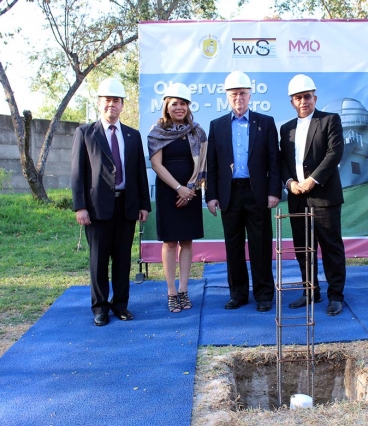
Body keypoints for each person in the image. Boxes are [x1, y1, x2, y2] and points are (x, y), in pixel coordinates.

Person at [71, 78, 150, 327]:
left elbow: (139, 173)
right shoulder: (85, 133)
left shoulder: (132, 135)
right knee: (99, 260)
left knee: (122, 259)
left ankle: (120, 305)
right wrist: (80, 206)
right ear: (99, 103)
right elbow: (77, 173)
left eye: (116, 101)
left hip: (126, 206)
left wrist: (144, 205)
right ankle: (100, 307)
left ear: (123, 105)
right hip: (96, 209)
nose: (112, 105)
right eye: (107, 100)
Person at [206, 71, 281, 312]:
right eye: (234, 94)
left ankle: (264, 295)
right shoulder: (216, 126)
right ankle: (238, 293)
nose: (238, 97)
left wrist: (273, 192)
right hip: (230, 195)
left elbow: (274, 161)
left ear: (250, 96)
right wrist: (211, 196)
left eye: (242, 93)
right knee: (233, 245)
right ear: (227, 97)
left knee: (261, 245)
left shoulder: (266, 123)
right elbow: (213, 164)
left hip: (257, 193)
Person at [279, 74, 346, 316]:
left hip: (324, 196)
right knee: (303, 248)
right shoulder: (285, 128)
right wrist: (289, 182)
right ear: (292, 102)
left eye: (307, 96)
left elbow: (334, 153)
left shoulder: (330, 120)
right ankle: (310, 291)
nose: (303, 101)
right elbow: (283, 161)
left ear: (315, 98)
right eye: (298, 98)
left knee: (330, 247)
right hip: (297, 198)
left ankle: (336, 296)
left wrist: (311, 180)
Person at [147, 83, 207, 313]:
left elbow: (202, 162)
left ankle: (184, 290)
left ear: (188, 106)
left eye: (183, 103)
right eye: (175, 103)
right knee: (170, 242)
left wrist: (190, 188)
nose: (179, 108)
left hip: (192, 192)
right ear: (167, 106)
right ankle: (171, 292)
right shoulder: (157, 131)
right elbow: (156, 164)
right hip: (168, 192)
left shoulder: (197, 131)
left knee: (187, 241)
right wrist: (179, 188)